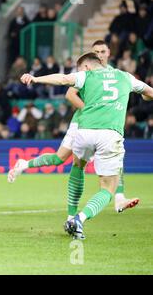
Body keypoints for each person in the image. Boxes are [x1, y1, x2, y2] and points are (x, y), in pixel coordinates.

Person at [19, 52, 153, 239]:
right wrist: (145, 97)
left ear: (87, 67)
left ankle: (70, 214)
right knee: (108, 188)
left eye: (80, 68)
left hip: (84, 132)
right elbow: (149, 93)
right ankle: (79, 219)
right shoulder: (125, 76)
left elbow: (63, 79)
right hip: (109, 134)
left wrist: (35, 78)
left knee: (78, 166)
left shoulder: (87, 75)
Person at [8, 40, 139, 214]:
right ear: (92, 57)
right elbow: (70, 94)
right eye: (96, 52)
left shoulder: (116, 73)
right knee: (59, 159)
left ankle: (118, 198)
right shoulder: (88, 73)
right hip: (83, 121)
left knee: (115, 155)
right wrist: (92, 111)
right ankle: (25, 164)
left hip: (100, 124)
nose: (100, 54)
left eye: (103, 51)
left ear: (108, 53)